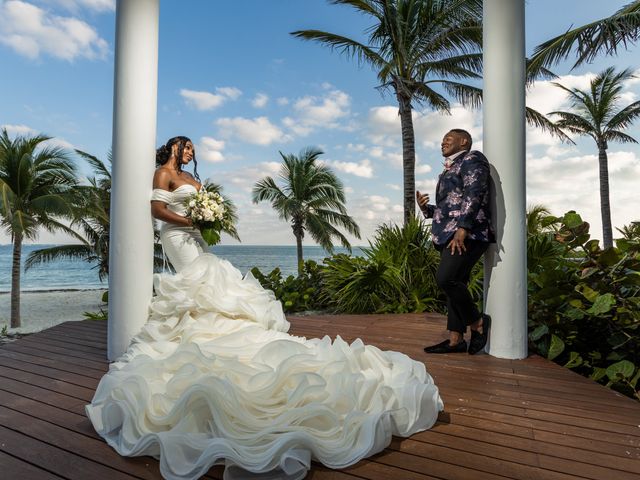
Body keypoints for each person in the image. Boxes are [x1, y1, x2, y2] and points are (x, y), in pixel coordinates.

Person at [86, 136, 444, 480]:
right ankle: (195, 328)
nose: (190, 152)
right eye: (186, 146)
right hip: (177, 236)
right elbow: (157, 210)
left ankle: (209, 328)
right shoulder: (163, 173)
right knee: (200, 278)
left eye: (193, 148)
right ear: (174, 147)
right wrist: (192, 220)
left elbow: (198, 207)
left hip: (195, 234)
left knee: (211, 278)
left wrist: (208, 219)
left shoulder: (192, 178)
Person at [416, 129, 494, 355]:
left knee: (446, 279)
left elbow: (474, 192)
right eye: (442, 140)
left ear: (464, 141)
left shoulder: (472, 158)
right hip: (449, 233)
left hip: (467, 233)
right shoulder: (450, 168)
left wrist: (463, 227)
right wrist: (426, 209)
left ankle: (477, 323)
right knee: (455, 283)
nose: (443, 142)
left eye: (448, 139)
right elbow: (447, 207)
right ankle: (455, 340)